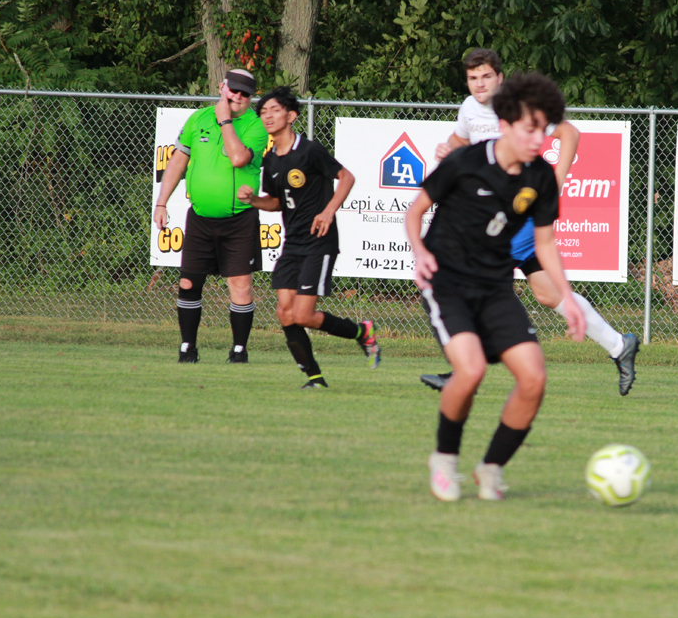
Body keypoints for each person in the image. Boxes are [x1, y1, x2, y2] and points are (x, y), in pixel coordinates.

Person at [405, 72, 586, 501]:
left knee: (534, 378)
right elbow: (416, 211)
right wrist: (419, 252)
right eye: (530, 129)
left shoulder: (539, 177)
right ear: (505, 124)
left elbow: (545, 242)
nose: (538, 139)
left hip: (494, 288)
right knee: (470, 371)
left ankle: (491, 469)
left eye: (543, 130)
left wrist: (569, 298)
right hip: (446, 281)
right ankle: (444, 459)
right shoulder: (464, 162)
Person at [419, 48, 640, 395]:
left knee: (477, 275)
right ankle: (619, 346)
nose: (479, 84)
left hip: (516, 212)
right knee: (547, 293)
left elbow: (570, 134)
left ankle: (461, 368)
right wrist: (446, 148)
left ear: (500, 78)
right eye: (473, 78)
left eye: (486, 77)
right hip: (494, 211)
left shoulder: (519, 107)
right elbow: (461, 140)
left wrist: (555, 183)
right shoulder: (468, 108)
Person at [237, 86, 381, 388]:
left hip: (319, 241)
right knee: (285, 313)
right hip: (293, 244)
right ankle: (314, 378)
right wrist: (254, 201)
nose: (268, 116)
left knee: (302, 314)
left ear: (291, 116)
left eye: (274, 110)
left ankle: (362, 333)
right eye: (263, 111)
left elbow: (347, 177)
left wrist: (328, 211)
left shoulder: (310, 151)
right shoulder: (272, 161)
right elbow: (276, 202)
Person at [154, 68, 268, 363]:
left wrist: (225, 120)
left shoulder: (255, 126)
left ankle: (239, 350)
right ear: (222, 87)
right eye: (234, 90)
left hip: (238, 220)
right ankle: (187, 347)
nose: (238, 97)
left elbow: (239, 158)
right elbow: (178, 161)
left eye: (245, 94)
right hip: (201, 219)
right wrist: (161, 202)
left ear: (251, 98)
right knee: (189, 283)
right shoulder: (198, 119)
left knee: (240, 286)